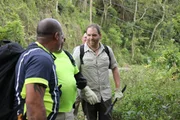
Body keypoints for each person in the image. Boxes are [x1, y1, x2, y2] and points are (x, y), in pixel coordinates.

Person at [14, 18, 64, 120]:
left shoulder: (34, 53)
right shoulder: (40, 58)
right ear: (56, 36)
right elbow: (34, 104)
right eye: (62, 36)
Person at [73, 24, 123, 120]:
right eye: (89, 35)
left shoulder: (107, 50)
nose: (91, 38)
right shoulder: (79, 51)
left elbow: (115, 68)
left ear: (100, 36)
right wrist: (85, 90)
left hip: (105, 96)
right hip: (88, 97)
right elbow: (74, 73)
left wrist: (118, 88)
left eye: (94, 35)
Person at [53, 34, 98, 120]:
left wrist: (86, 89)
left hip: (69, 110)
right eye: (57, 39)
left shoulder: (68, 55)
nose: (60, 41)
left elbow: (77, 75)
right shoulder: (44, 56)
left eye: (62, 39)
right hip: (52, 111)